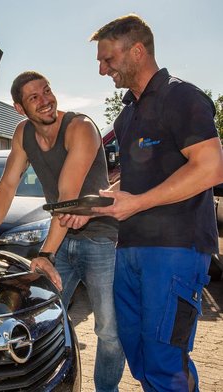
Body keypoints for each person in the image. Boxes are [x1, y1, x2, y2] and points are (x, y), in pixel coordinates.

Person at [0, 71, 125, 392]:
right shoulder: (22, 133)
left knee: (107, 330)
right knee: (41, 320)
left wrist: (45, 253)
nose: (45, 100)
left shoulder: (81, 128)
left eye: (46, 91)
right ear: (20, 108)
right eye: (34, 97)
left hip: (101, 240)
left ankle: (107, 389)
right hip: (63, 241)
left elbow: (67, 196)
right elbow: (7, 185)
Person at [88, 14, 223, 392]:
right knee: (140, 356)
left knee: (166, 361)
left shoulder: (182, 96)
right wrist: (100, 203)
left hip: (175, 249)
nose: (102, 70)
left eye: (107, 59)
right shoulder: (128, 112)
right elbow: (134, 178)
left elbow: (211, 167)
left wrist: (138, 202)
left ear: (137, 50)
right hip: (128, 248)